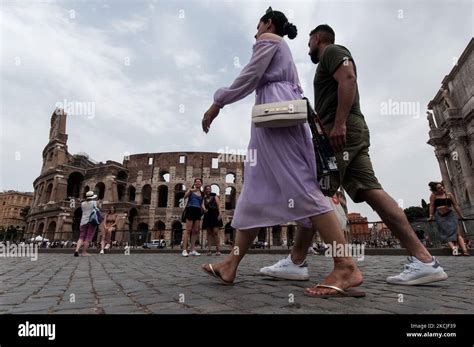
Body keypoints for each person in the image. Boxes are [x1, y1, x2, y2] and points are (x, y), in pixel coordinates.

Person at [260, 24, 448, 288]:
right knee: (367, 190)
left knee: (313, 192)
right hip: (348, 132)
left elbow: (348, 79)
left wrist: (339, 124)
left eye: (309, 43)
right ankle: (425, 261)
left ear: (316, 39)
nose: (308, 48)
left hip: (342, 134)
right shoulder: (328, 57)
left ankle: (300, 262)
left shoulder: (332, 52)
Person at [201, 8, 365, 298]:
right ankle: (231, 264)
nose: (255, 32)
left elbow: (249, 76)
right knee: (254, 192)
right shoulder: (281, 49)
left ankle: (345, 265)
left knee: (303, 187)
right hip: (274, 117)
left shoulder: (270, 41)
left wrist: (218, 103)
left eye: (258, 25)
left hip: (277, 117)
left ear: (268, 23)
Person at [428, 182, 468, 256]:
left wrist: (461, 216)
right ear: (435, 190)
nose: (442, 188)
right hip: (440, 216)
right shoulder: (433, 196)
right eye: (439, 188)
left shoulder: (449, 195)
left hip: (450, 215)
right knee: (447, 235)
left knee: (457, 233)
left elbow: (455, 205)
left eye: (442, 186)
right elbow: (432, 206)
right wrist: (430, 216)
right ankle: (455, 251)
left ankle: (465, 251)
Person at [74, 191, 101, 257]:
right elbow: (99, 209)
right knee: (88, 237)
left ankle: (76, 250)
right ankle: (84, 252)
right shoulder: (95, 202)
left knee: (81, 237)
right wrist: (99, 203)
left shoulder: (82, 203)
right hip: (91, 221)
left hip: (83, 222)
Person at [182, 178, 203, 257]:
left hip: (198, 211)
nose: (198, 183)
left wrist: (205, 210)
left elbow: (202, 204)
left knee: (196, 231)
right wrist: (190, 190)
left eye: (199, 182)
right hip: (190, 209)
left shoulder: (202, 193)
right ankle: (184, 249)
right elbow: (184, 197)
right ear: (194, 183)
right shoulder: (191, 191)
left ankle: (192, 250)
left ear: (201, 184)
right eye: (196, 182)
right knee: (188, 230)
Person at [202, 185, 222, 256]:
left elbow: (219, 205)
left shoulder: (215, 196)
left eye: (209, 189)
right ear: (205, 190)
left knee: (216, 232)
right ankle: (209, 250)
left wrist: (220, 214)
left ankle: (218, 249)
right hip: (207, 215)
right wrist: (204, 209)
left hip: (215, 215)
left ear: (211, 190)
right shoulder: (204, 198)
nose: (208, 190)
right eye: (207, 189)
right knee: (209, 233)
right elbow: (202, 205)